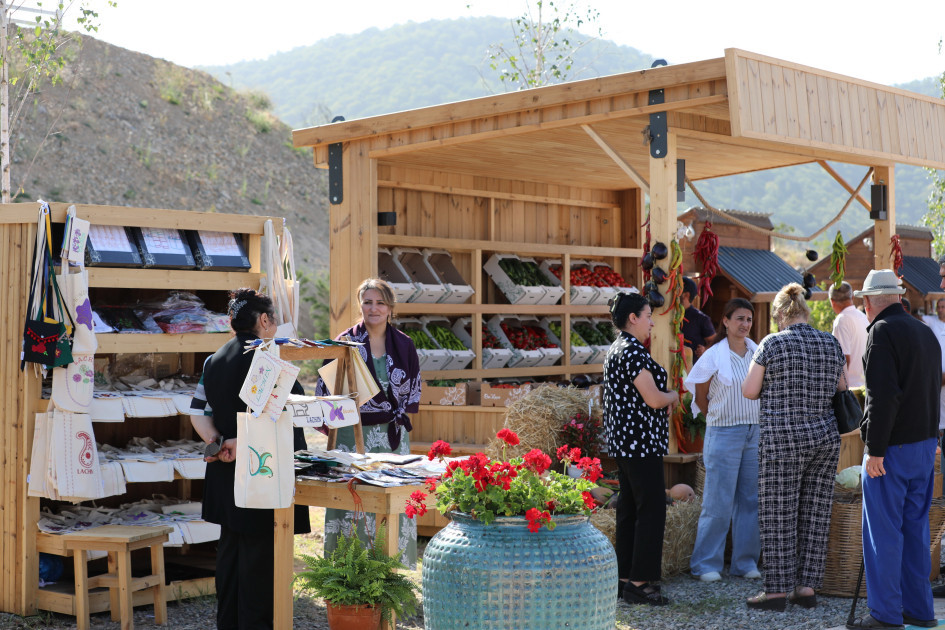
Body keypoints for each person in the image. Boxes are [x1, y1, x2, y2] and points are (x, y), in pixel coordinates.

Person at [188, 288, 310, 630]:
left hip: (225, 467)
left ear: (232, 322)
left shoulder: (214, 360)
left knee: (230, 553)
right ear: (264, 320)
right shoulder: (267, 358)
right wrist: (238, 444)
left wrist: (219, 443)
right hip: (262, 470)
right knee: (261, 560)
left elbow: (198, 412)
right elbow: (282, 417)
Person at [847, 269, 941, 630]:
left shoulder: (882, 332)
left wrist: (875, 449)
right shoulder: (925, 331)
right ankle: (919, 610)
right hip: (924, 446)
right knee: (916, 532)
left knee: (883, 533)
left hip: (893, 449)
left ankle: (885, 615)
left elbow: (882, 397)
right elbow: (931, 390)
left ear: (870, 302)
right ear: (898, 297)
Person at [741, 283, 843, 611]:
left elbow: (749, 391)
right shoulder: (830, 342)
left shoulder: (772, 343)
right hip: (824, 439)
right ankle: (807, 588)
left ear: (781, 314)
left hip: (782, 441)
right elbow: (841, 387)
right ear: (804, 311)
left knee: (778, 515)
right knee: (816, 513)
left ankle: (775, 593)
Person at [316, 278, 421, 567]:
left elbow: (412, 389)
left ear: (390, 308)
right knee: (354, 500)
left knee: (391, 501)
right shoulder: (344, 342)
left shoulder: (405, 345)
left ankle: (390, 574)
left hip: (392, 439)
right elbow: (326, 390)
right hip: (353, 436)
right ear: (360, 305)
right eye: (367, 302)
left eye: (380, 302)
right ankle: (348, 574)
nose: (373, 308)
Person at [602, 291, 679, 606]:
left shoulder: (617, 349)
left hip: (627, 443)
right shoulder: (632, 352)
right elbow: (654, 399)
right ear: (633, 318)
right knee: (651, 510)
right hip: (640, 443)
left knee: (630, 509)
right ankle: (640, 582)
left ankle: (624, 579)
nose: (651, 322)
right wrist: (673, 395)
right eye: (648, 315)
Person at [684, 298, 761, 582]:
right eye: (739, 318)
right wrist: (718, 418)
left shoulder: (758, 353)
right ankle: (705, 564)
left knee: (750, 500)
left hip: (755, 431)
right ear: (726, 321)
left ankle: (744, 562)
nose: (745, 324)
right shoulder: (713, 355)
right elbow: (701, 396)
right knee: (718, 500)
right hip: (725, 431)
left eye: (749, 319)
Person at [828, 281, 869, 388]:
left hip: (850, 388)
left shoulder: (842, 320)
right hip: (865, 385)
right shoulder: (863, 317)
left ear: (832, 302)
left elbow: (844, 358)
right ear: (852, 298)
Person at [681, 276, 717, 361]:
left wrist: (705, 350)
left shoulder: (701, 319)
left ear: (686, 295)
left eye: (677, 291)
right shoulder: (670, 314)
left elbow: (715, 342)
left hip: (692, 369)